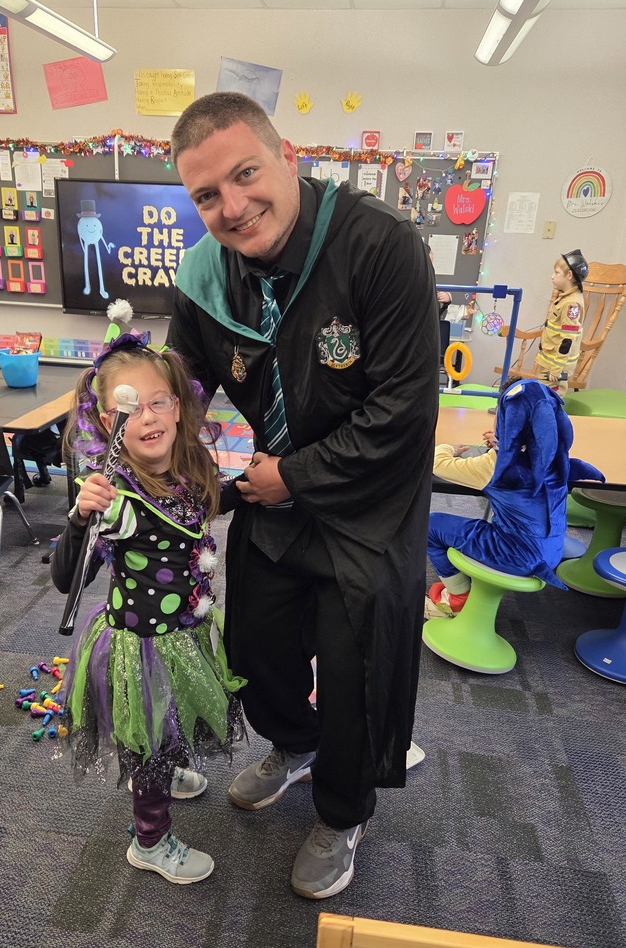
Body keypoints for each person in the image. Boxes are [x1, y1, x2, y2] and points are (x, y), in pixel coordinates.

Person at [166, 92, 439, 899]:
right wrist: (136, 446)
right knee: (253, 651)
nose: (232, 206)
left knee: (356, 673)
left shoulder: (379, 245)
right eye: (207, 195)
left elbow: (404, 413)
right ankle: (299, 742)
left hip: (371, 503)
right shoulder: (206, 275)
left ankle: (343, 811)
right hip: (276, 495)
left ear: (288, 158)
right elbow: (183, 392)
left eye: (246, 174)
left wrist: (291, 475)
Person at [51, 332, 246, 885]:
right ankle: (151, 841)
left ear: (178, 408)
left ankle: (167, 766)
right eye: (131, 407)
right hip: (142, 646)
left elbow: (197, 508)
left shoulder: (184, 468)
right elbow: (66, 577)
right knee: (149, 741)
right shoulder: (115, 499)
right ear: (110, 423)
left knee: (172, 715)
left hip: (183, 631)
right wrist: (81, 518)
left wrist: (248, 488)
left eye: (159, 401)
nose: (149, 416)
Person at [425, 378, 604, 618]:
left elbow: (437, 463)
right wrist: (509, 443)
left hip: (517, 556)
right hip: (553, 551)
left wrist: (449, 448)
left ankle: (458, 599)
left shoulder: (495, 465)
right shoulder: (555, 458)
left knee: (430, 525)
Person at [533, 249, 587, 397]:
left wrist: (556, 369)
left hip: (556, 365)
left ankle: (551, 412)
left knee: (550, 397)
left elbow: (567, 339)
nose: (552, 276)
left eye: (557, 273)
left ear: (569, 275)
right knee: (541, 393)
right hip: (549, 359)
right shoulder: (565, 297)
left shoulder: (571, 303)